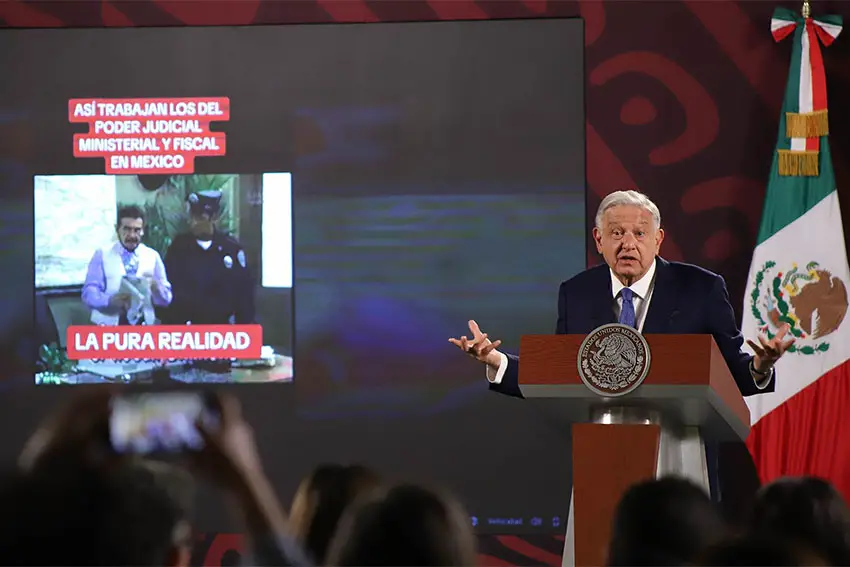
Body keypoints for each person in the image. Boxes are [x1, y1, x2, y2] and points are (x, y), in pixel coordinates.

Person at [450, 189, 794, 399]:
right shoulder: (577, 293)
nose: (628, 243)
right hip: (599, 447)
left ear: (658, 240)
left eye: (639, 233)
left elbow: (734, 372)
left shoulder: (701, 289)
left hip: (680, 449)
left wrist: (761, 366)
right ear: (599, 241)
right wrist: (497, 362)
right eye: (616, 233)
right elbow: (557, 375)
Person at [161, 190, 255, 326]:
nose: (195, 222)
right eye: (194, 216)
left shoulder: (230, 249)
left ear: (214, 218)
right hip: (187, 330)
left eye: (202, 217)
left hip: (223, 330)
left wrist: (244, 329)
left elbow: (244, 293)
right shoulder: (179, 248)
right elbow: (169, 290)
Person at [81, 205, 172, 325]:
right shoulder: (102, 254)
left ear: (143, 230)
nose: (132, 235)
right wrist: (108, 301)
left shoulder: (152, 256)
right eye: (127, 229)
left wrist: (157, 289)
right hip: (108, 326)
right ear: (117, 229)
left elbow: (166, 299)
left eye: (137, 230)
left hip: (144, 327)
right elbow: (89, 292)